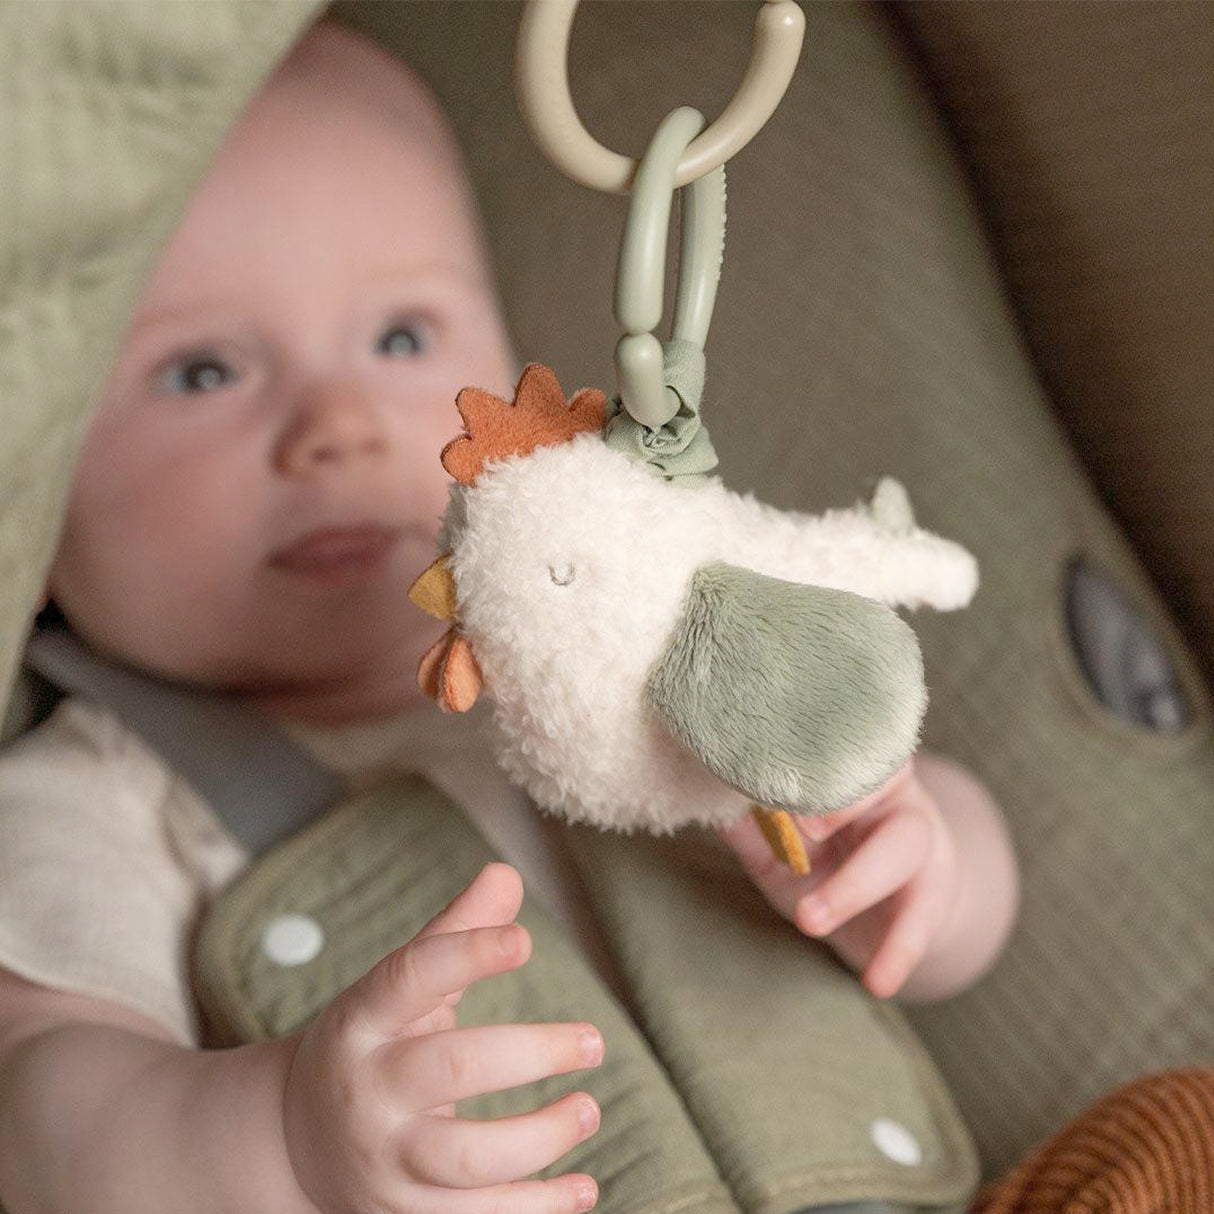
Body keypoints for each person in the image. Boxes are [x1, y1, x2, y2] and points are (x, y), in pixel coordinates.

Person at [0, 16, 1020, 1214]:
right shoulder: (96, 800)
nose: (338, 425)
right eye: (202, 371)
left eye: (399, 336)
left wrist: (908, 857)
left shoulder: (647, 646)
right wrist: (281, 1136)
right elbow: (41, 1123)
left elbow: (945, 939)